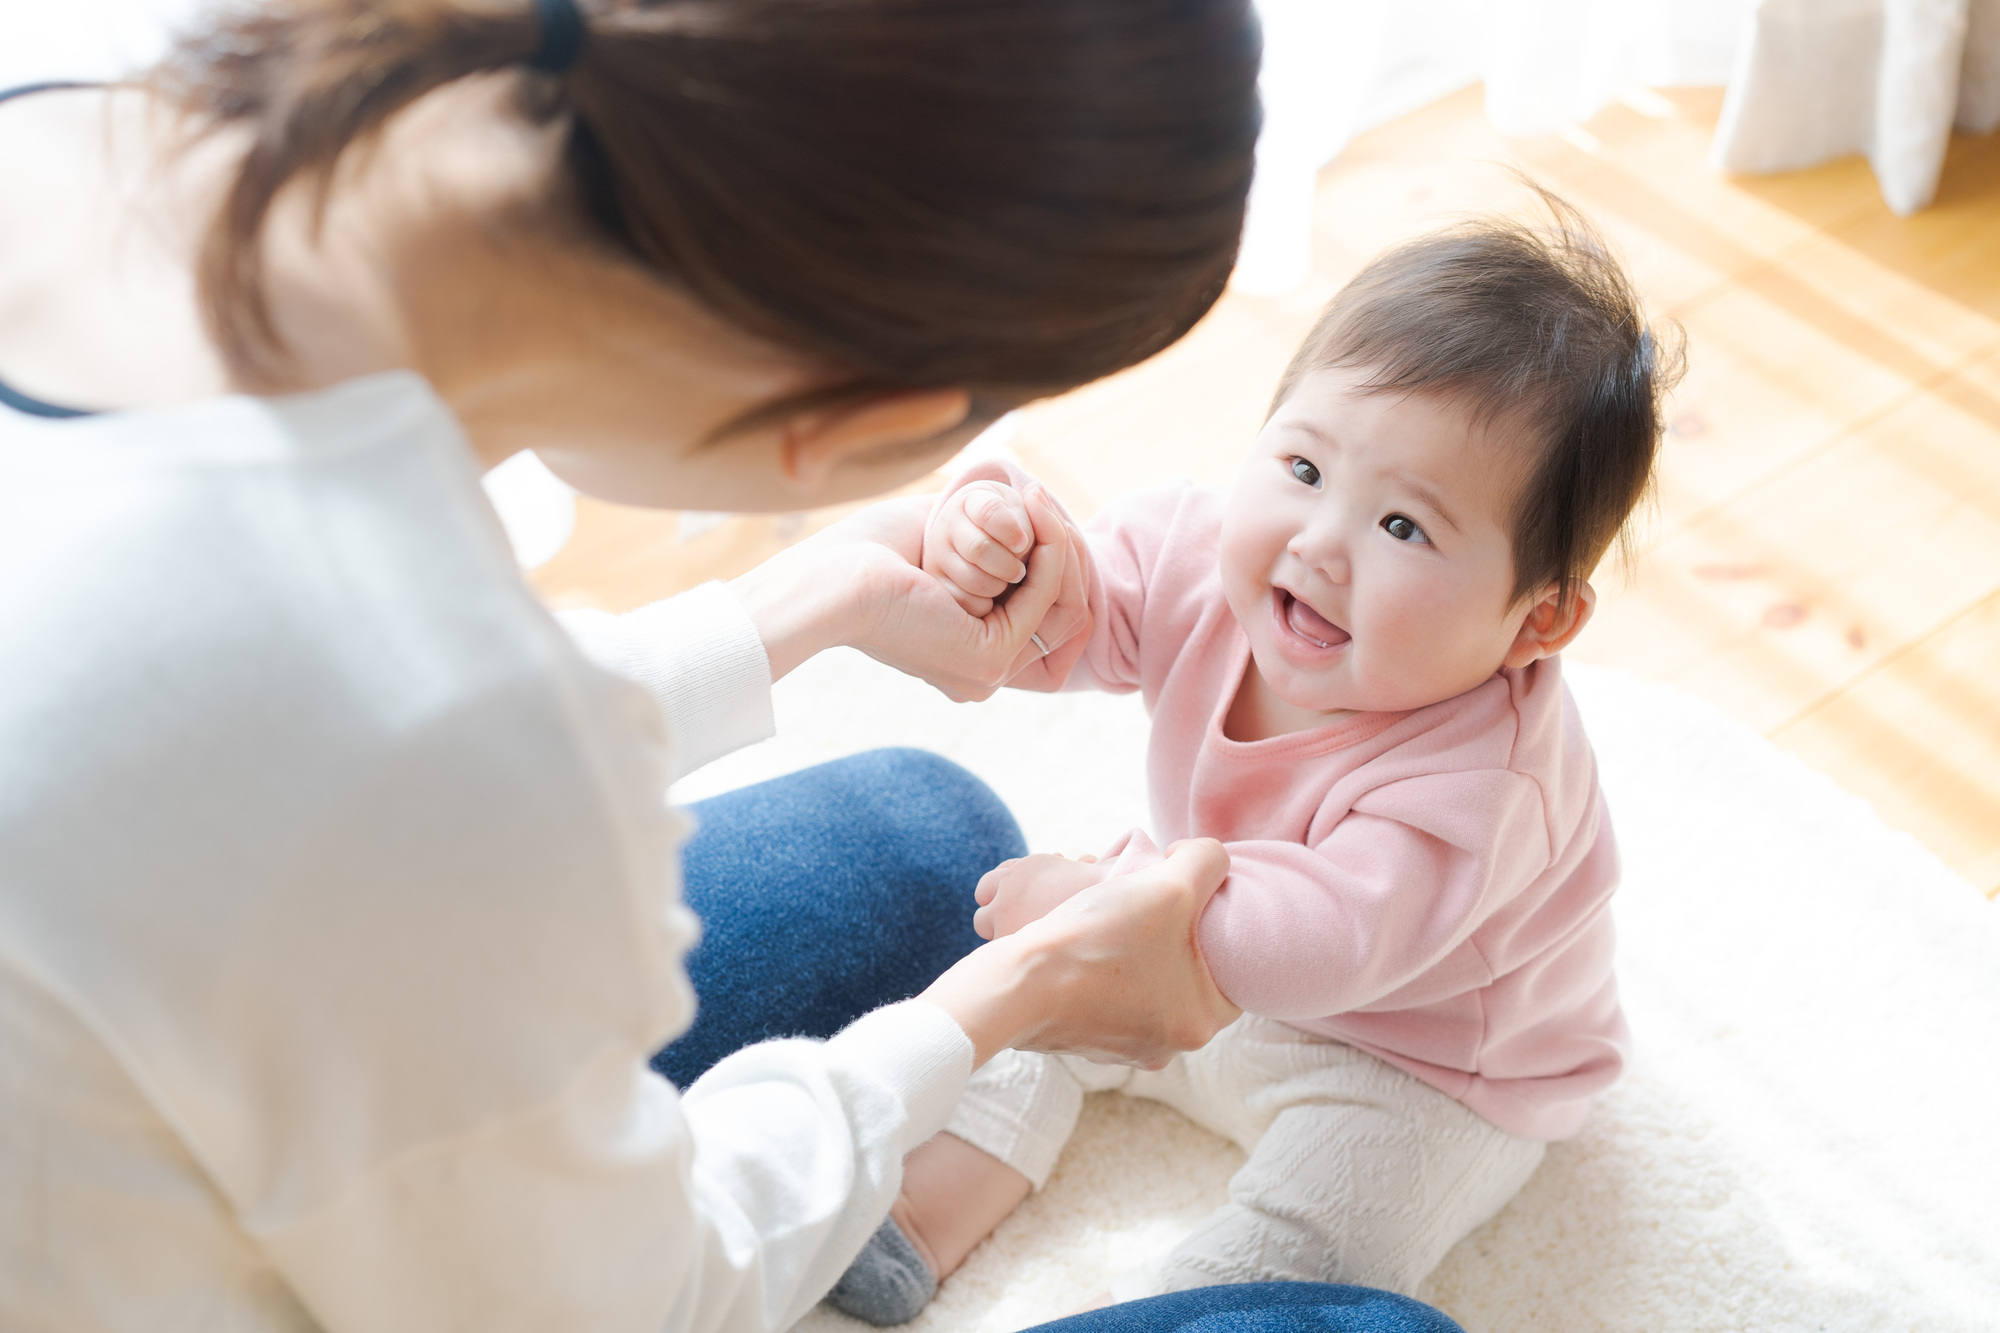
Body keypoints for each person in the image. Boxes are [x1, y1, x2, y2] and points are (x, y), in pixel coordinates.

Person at [0, 0, 1478, 1329]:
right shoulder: (413, 733)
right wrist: (1019, 992)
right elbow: (637, 1298)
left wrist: (806, 605)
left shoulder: (88, 97)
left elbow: (279, 765)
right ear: (843, 424)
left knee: (931, 832)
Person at [828, 204, 1684, 1324]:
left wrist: (1108, 909)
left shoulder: (1486, 779)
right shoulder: (1202, 550)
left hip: (1416, 1068)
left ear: (1536, 622)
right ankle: (918, 1212)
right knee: (1029, 1015)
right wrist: (1009, 554)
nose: (1319, 542)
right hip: (1199, 970)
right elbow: (1081, 619)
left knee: (1320, 1233)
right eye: (1301, 465)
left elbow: (1328, 942)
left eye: (1403, 529)